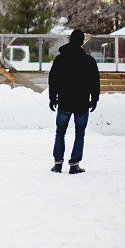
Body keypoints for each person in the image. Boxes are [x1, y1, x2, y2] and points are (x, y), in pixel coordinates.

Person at [48, 28, 100, 174]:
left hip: (64, 101)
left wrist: (53, 98)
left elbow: (53, 80)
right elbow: (94, 82)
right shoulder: (89, 61)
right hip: (82, 102)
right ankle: (74, 164)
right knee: (79, 133)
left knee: (60, 132)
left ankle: (58, 163)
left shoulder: (60, 59)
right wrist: (94, 99)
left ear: (70, 40)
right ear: (82, 42)